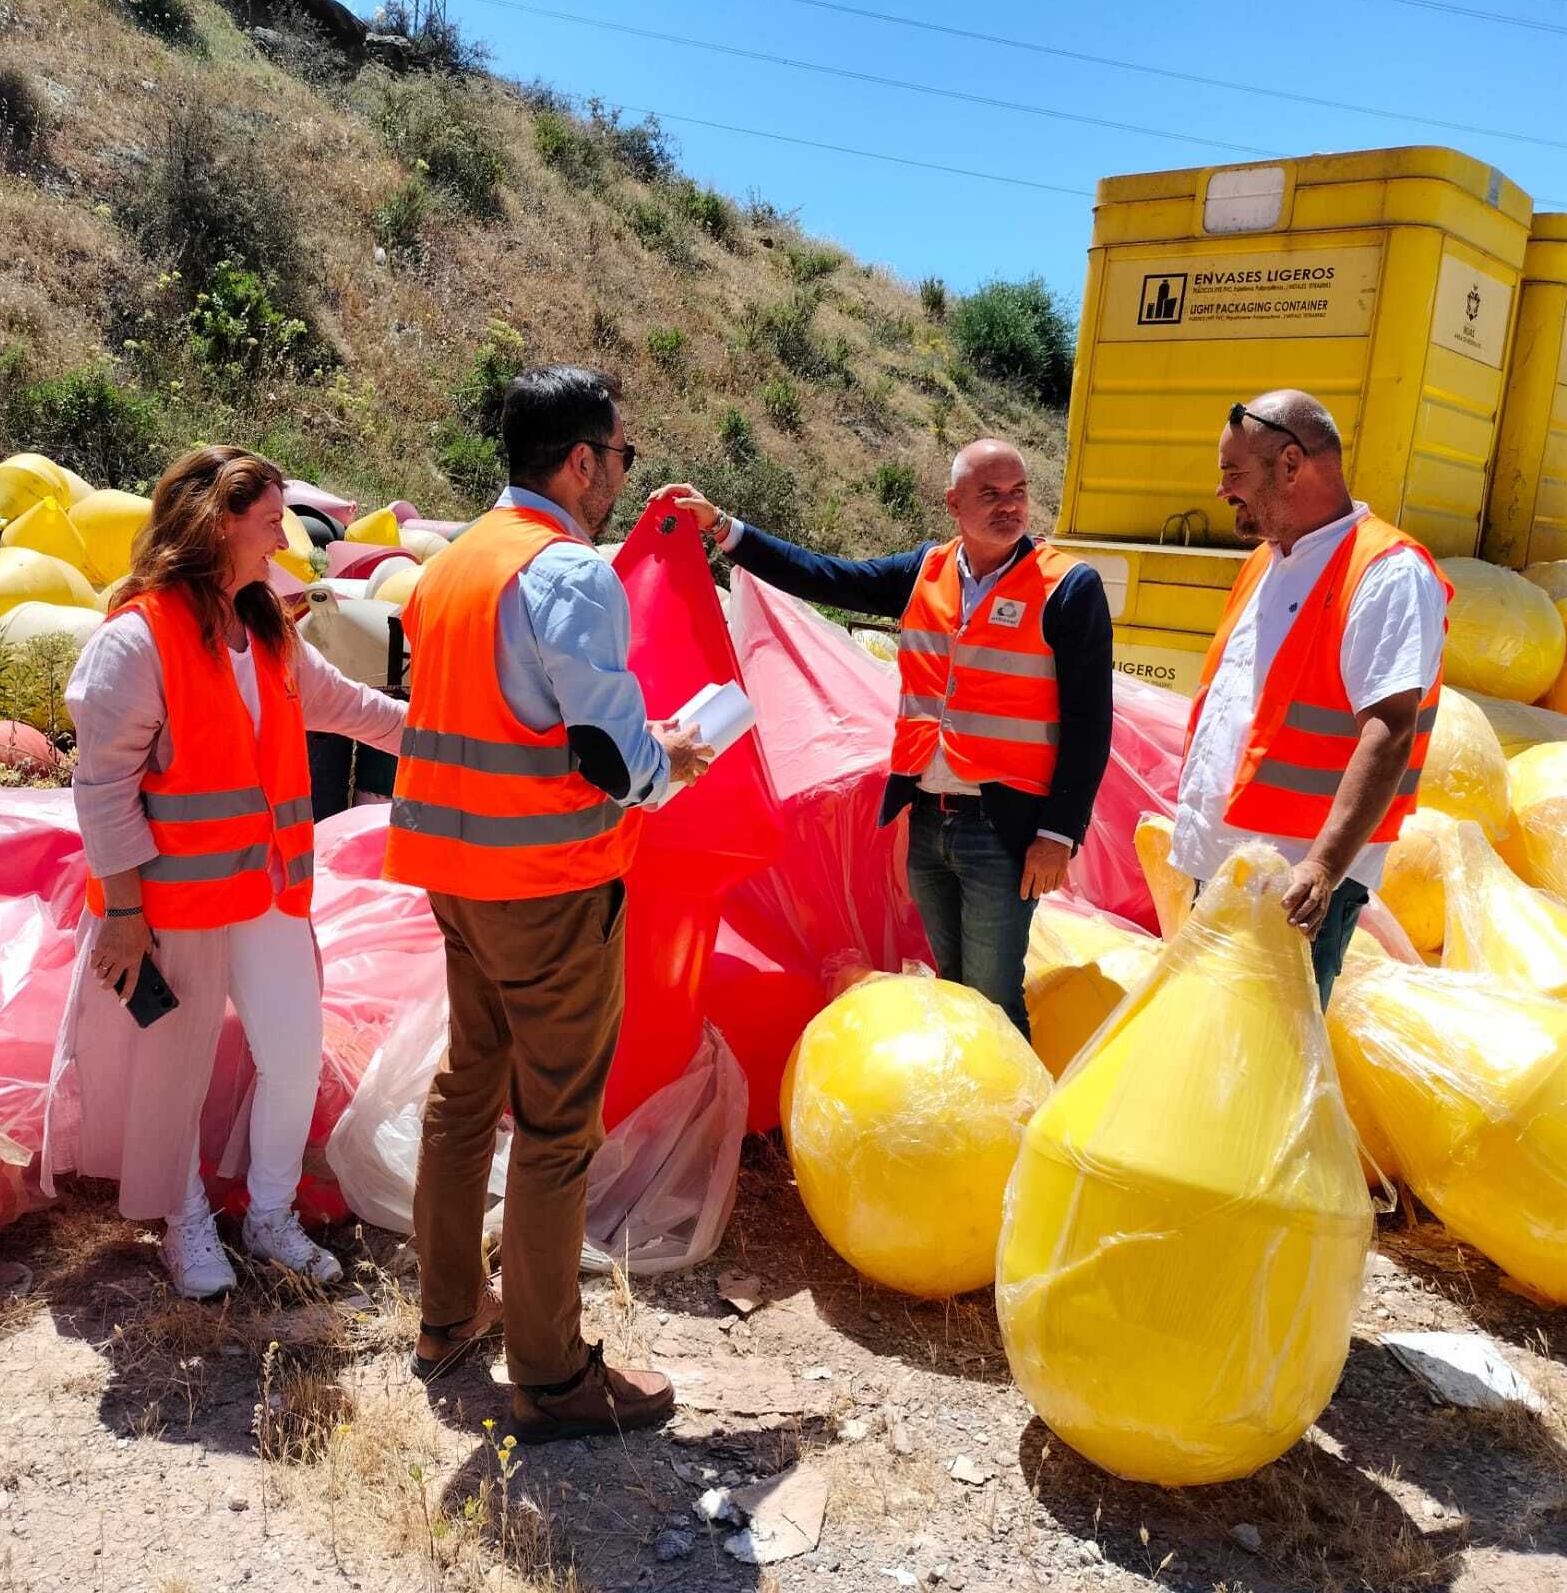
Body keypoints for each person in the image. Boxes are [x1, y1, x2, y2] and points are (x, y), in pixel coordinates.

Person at [383, 365, 712, 1442]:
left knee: (463, 1093)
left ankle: (446, 1318)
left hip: (457, 878)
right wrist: (672, 755)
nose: (620, 476)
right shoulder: (568, 571)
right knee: (557, 1128)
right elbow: (611, 757)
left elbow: (498, 718)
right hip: (550, 888)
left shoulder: (449, 565)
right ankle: (552, 1374)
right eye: (620, 456)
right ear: (580, 461)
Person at [42, 446, 407, 1298]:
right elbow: (102, 790)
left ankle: (270, 1215)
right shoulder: (136, 640)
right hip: (174, 905)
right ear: (216, 525)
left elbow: (355, 710)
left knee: (293, 1053)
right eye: (271, 521)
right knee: (173, 1072)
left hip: (267, 891)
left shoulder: (267, 629)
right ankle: (185, 1224)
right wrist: (124, 914)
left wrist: (455, 739)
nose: (284, 539)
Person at [668, 438, 1114, 1039]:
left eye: (1019, 492)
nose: (1009, 506)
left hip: (1004, 832)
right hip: (929, 820)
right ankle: (970, 1095)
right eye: (990, 494)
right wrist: (725, 528)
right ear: (954, 503)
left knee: (994, 1000)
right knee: (955, 991)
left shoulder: (1067, 587)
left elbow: (1091, 723)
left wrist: (1058, 835)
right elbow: (827, 576)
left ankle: (1018, 1100)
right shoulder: (925, 571)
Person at [1171, 390, 1451, 1006]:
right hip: (1226, 870)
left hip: (1295, 889)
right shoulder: (1267, 562)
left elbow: (1390, 731)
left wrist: (1323, 868)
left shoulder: (1388, 572)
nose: (1221, 490)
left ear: (1292, 464)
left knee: (1271, 1055)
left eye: (1234, 473)